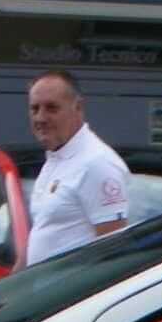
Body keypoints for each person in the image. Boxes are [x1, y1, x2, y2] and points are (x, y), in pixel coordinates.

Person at [24, 70, 129, 265]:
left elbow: (113, 252)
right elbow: (42, 230)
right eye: (35, 108)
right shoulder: (57, 157)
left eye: (52, 108)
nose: (40, 118)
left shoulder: (97, 163)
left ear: (78, 108)